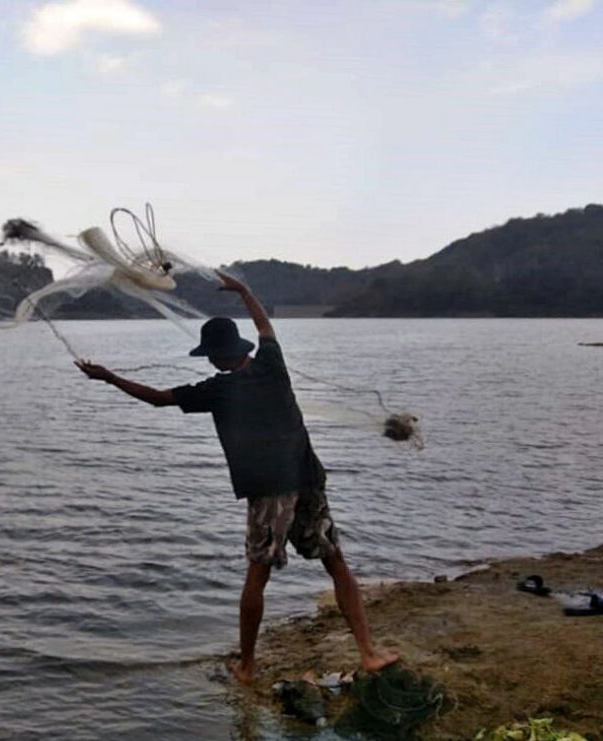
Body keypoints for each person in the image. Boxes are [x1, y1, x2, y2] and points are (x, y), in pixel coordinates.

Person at [75, 271, 399, 684]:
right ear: (240, 348)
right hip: (307, 480)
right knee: (336, 563)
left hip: (268, 493)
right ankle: (368, 653)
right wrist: (246, 291)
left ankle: (246, 667)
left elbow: (158, 400)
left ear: (213, 356)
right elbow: (265, 326)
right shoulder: (271, 365)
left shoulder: (217, 390)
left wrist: (109, 378)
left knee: (257, 576)